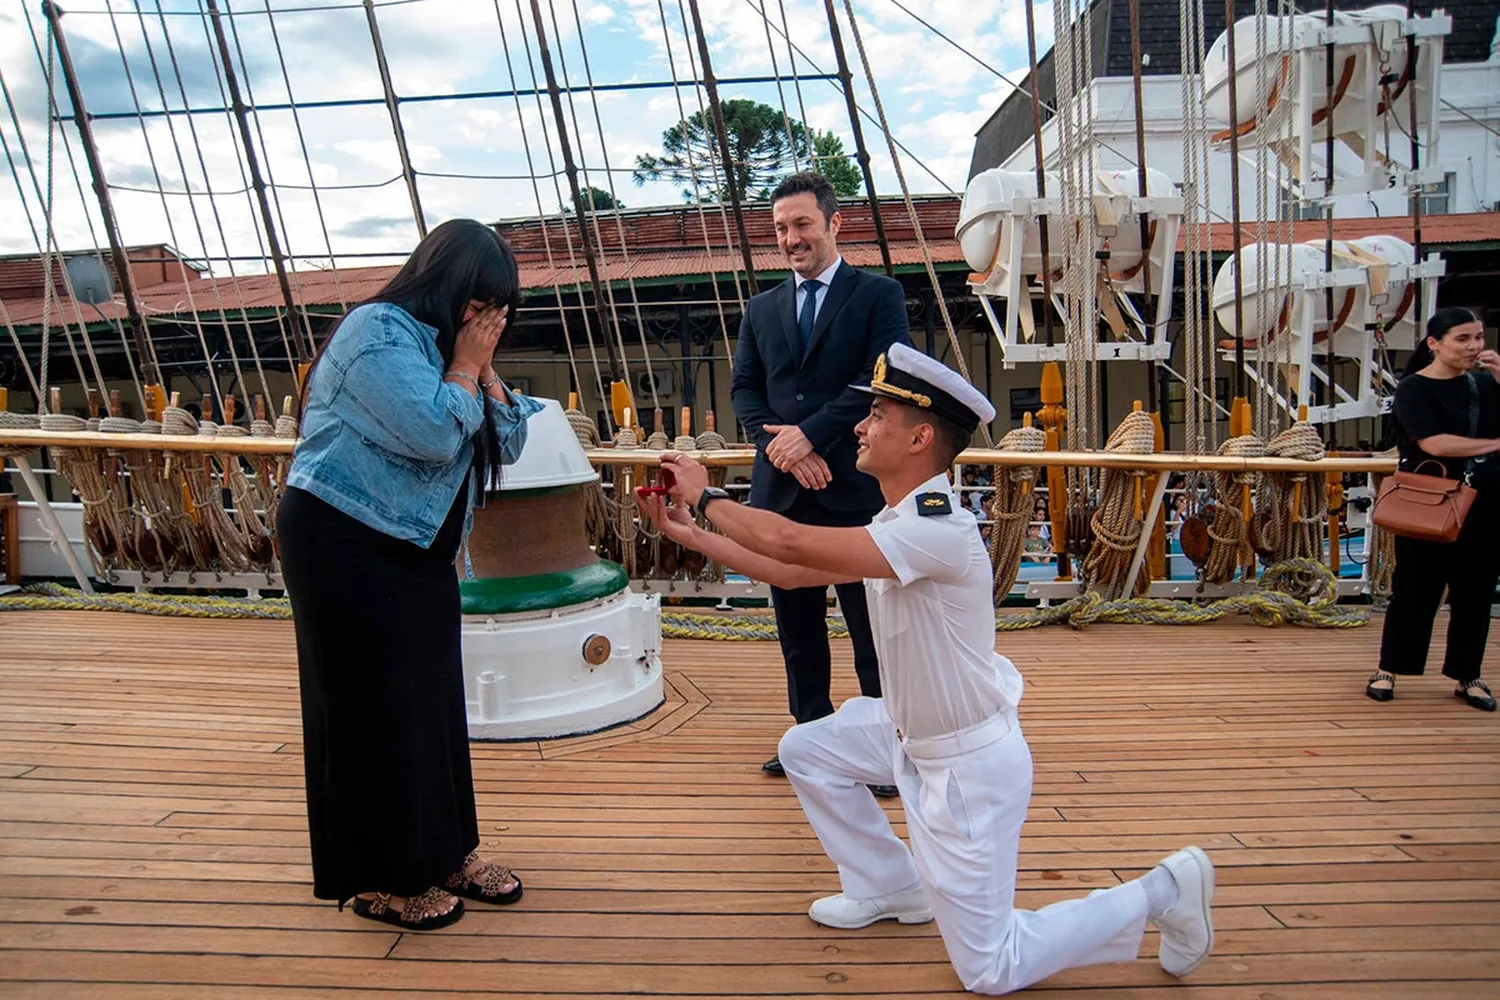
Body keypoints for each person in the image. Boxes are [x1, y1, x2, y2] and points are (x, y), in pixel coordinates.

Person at [641, 342, 1216, 994]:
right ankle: (891, 888)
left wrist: (707, 495)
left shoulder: (937, 527)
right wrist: (694, 536)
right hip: (904, 729)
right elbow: (797, 571)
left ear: (919, 438)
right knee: (809, 748)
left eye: (877, 415)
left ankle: (1166, 888)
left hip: (966, 765)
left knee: (990, 968)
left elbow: (793, 541)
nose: (860, 425)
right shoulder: (899, 518)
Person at [278, 219, 543, 930]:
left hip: (416, 546)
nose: (484, 320)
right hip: (342, 536)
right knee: (367, 709)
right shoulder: (378, 332)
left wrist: (481, 367)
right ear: (446, 283)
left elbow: (509, 439)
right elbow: (429, 432)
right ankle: (378, 879)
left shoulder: (450, 347)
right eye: (478, 303)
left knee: (429, 706)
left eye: (496, 310)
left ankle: (446, 851)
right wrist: (463, 367)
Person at [730, 171, 910, 792]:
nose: (791, 238)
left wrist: (811, 434)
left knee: (872, 626)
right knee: (796, 626)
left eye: (802, 224)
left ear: (835, 223)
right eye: (781, 228)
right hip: (783, 487)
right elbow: (745, 391)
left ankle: (887, 744)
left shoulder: (878, 294)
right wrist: (785, 449)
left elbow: (877, 378)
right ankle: (809, 736)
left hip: (854, 481)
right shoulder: (761, 308)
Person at [1367, 306, 1500, 711]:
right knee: (1415, 588)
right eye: (1462, 338)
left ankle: (1467, 675)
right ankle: (1389, 668)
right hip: (1430, 498)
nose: (1474, 346)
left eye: (1478, 337)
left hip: (1486, 499)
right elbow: (1434, 443)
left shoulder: (1486, 384)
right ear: (1434, 344)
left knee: (1476, 591)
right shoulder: (1413, 389)